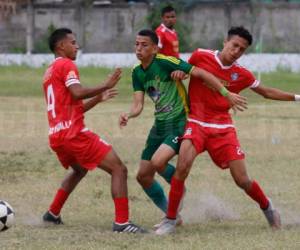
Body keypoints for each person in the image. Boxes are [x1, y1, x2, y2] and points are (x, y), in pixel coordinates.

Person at [154, 26, 300, 235]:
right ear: (225, 42)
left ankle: (268, 208)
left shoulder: (241, 74)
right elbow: (183, 70)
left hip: (223, 128)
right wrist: (179, 74)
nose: (236, 51)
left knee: (242, 180)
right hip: (196, 123)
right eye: (234, 45)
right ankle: (170, 219)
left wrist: (297, 97)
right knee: (183, 166)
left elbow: (266, 92)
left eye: (241, 49)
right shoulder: (200, 55)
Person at [119, 29, 246, 228]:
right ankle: (173, 214)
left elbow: (200, 72)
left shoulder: (165, 61)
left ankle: (179, 188)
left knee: (158, 161)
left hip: (179, 122)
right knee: (143, 176)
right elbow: (138, 104)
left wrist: (224, 92)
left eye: (144, 45)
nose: (139, 49)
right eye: (136, 44)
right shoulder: (137, 72)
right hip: (159, 125)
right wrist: (129, 114)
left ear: (154, 48)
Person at [42, 28, 145, 233]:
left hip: (57, 136)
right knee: (119, 169)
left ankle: (52, 214)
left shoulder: (49, 72)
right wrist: (104, 85)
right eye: (73, 42)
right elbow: (77, 92)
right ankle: (122, 223)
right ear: (61, 46)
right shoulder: (67, 64)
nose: (77, 46)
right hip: (74, 135)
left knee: (79, 169)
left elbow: (73, 107)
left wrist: (98, 98)